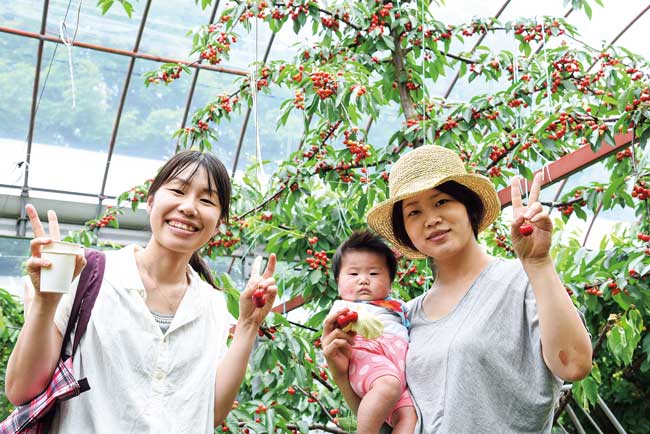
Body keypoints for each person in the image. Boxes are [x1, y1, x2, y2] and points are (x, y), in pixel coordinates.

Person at [322, 145, 593, 434]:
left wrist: (538, 263)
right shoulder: (405, 318)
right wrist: (341, 374)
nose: (430, 219)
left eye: (441, 201)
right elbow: (390, 420)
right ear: (406, 232)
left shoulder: (520, 281)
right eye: (414, 212)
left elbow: (574, 364)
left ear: (468, 206)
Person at [5, 150, 278, 434]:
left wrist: (248, 324)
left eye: (206, 200)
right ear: (150, 202)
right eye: (177, 190)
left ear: (220, 223)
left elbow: (211, 412)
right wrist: (46, 301)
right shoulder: (87, 274)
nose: (189, 207)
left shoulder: (212, 304)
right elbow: (21, 389)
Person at [328, 231, 417, 434]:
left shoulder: (399, 307)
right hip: (368, 358)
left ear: (390, 282)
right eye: (353, 274)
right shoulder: (344, 308)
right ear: (338, 282)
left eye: (374, 273)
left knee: (409, 416)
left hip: (397, 372)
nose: (364, 280)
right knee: (387, 386)